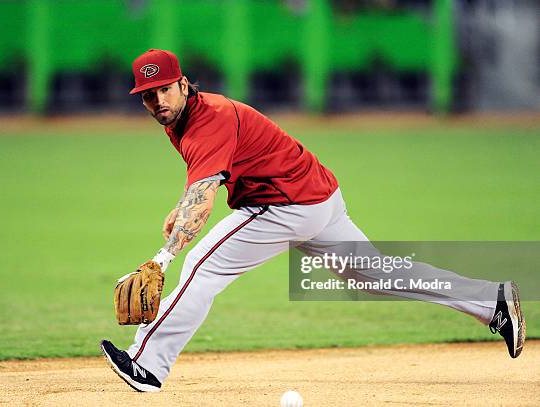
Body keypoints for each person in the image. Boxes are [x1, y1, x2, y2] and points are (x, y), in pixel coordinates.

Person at [100, 49, 525, 393]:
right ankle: (491, 301)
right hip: (317, 198)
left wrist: (163, 256)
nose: (157, 101)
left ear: (184, 83)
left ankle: (145, 365)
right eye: (147, 94)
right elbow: (206, 181)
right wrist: (185, 204)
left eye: (164, 90)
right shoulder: (183, 116)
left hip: (284, 206)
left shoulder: (209, 117)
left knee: (201, 268)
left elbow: (204, 195)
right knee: (377, 275)